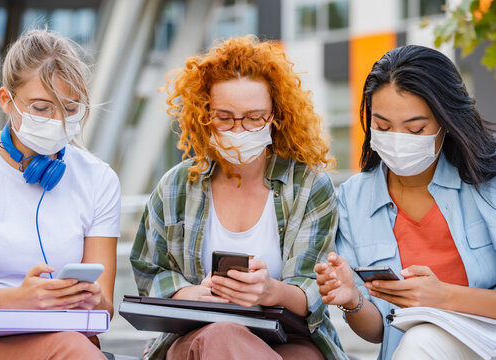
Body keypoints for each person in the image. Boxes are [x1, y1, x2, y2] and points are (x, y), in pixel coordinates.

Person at [130, 36, 346, 360]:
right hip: (198, 338)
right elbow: (148, 271)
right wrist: (192, 293)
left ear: (276, 116)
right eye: (225, 117)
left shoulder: (310, 187)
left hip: (286, 340)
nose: (239, 130)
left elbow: (313, 293)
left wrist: (271, 291)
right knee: (222, 335)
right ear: (205, 115)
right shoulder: (176, 186)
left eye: (254, 117)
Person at [314, 45, 496, 360]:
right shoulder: (353, 199)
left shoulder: (487, 183)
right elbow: (378, 332)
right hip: (410, 350)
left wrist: (442, 297)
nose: (397, 139)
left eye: (415, 129)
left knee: (421, 341)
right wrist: (352, 299)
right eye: (382, 127)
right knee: (417, 342)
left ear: (446, 121)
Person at [0, 30, 121, 359]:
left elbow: (106, 309)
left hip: (65, 338)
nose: (57, 121)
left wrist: (91, 299)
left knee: (74, 346)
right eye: (42, 108)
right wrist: (18, 298)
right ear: (6, 100)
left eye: (70, 109)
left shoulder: (99, 178)